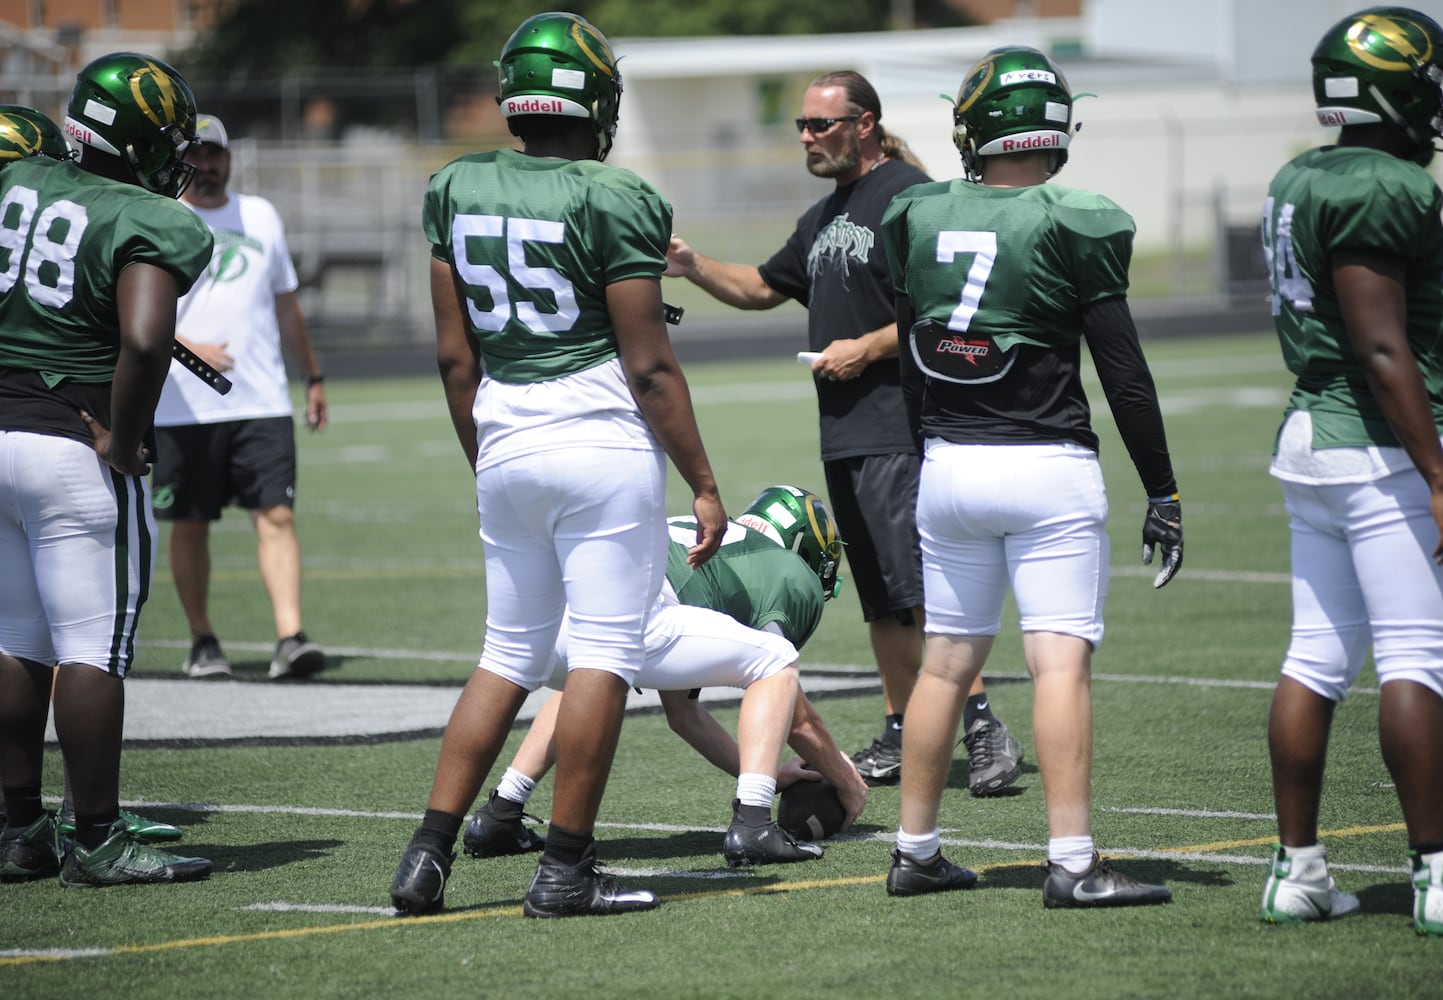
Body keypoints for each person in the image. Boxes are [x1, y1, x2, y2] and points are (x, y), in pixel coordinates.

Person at [388, 12, 726, 920]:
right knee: (605, 659)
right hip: (598, 438)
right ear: (595, 98)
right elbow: (649, 366)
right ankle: (566, 870)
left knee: (506, 653)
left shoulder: (454, 185)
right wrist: (700, 479)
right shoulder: (615, 195)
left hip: (504, 436)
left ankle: (427, 856)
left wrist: (484, 455)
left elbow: (455, 358)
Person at [879, 46, 1183, 907]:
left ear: (972, 123)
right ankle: (1074, 862)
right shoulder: (1072, 217)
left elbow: (910, 359)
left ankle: (915, 849)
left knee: (943, 666)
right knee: (1056, 667)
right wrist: (1161, 488)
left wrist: (925, 449)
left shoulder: (918, 211)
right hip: (1046, 463)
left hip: (948, 461)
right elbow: (1123, 374)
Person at [666, 70, 1022, 797]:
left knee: (919, 590)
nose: (806, 137)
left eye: (820, 125)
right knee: (881, 598)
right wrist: (690, 264)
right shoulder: (828, 213)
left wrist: (868, 346)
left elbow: (950, 308)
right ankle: (897, 728)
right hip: (846, 434)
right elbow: (763, 287)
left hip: (901, 423)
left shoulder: (909, 197)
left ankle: (982, 722)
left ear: (863, 124)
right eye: (800, 125)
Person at [1256, 7, 1443, 936]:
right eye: (1429, 78)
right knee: (1414, 662)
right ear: (1393, 88)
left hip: (1315, 442)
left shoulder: (1303, 171)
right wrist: (1438, 474)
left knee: (1313, 656)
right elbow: (1382, 347)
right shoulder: (1382, 184)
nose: (1440, 96)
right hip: (1373, 450)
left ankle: (1298, 872)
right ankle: (1442, 879)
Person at [0, 54, 215, 886]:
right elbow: (144, 337)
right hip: (71, 446)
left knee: (17, 639)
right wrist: (125, 440)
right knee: (93, 646)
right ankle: (96, 838)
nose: (179, 157)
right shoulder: (146, 216)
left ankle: (20, 829)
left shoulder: (18, 179)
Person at [464, 487, 867, 864]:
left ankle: (501, 813)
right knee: (776, 661)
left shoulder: (713, 546)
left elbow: (685, 715)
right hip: (633, 613)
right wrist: (846, 779)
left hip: (549, 615)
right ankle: (755, 825)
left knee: (592, 681)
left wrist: (772, 774)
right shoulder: (790, 572)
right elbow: (795, 716)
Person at [151, 113, 330, 681]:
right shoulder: (161, 219)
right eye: (196, 156)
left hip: (261, 400)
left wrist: (314, 377)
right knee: (190, 523)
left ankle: (290, 636)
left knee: (276, 513)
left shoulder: (261, 216)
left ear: (229, 159)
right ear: (182, 161)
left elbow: (285, 302)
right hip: (181, 405)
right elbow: (131, 309)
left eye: (215, 155)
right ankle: (203, 640)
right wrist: (185, 344)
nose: (206, 166)